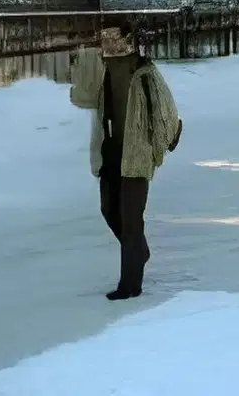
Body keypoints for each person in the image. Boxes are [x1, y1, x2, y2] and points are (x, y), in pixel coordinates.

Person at [69, 25, 183, 301]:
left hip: (136, 154)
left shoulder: (145, 72)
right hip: (110, 152)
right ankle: (138, 252)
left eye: (112, 38)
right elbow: (81, 98)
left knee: (131, 219)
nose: (107, 43)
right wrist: (81, 65)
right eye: (104, 38)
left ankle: (130, 284)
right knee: (109, 209)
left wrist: (164, 141)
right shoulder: (103, 70)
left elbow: (166, 109)